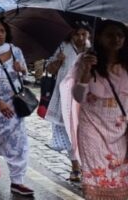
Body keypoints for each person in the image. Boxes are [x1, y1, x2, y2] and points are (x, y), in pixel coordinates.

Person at [71, 20, 128, 199]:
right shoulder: (85, 61)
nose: (116, 39)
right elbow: (78, 96)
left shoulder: (127, 65)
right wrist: (86, 71)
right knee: (96, 178)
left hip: (121, 130)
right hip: (92, 128)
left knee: (120, 179)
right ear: (99, 37)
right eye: (110, 35)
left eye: (120, 35)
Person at [0, 19, 35, 197]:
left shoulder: (15, 51)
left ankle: (18, 181)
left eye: (2, 31)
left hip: (15, 106)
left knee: (18, 144)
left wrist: (22, 69)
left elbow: (25, 75)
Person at [44, 23, 90, 182]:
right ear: (71, 35)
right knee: (69, 131)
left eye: (84, 34)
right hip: (64, 96)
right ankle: (75, 167)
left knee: (84, 132)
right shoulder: (63, 47)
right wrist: (58, 61)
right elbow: (49, 70)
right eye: (78, 34)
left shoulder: (90, 49)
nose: (81, 38)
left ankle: (87, 165)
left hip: (84, 97)